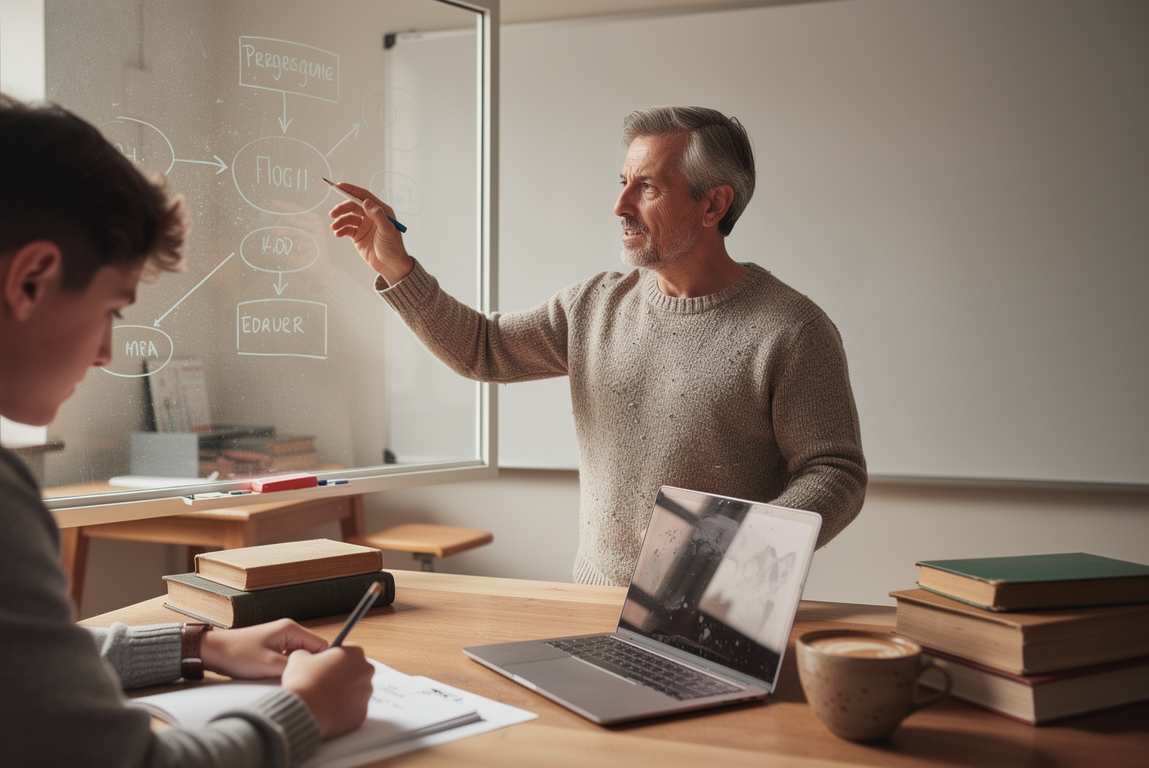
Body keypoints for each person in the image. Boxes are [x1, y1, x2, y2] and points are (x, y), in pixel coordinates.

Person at [0, 86, 373, 767]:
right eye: (113, 309)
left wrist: (196, 645)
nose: (106, 352)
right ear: (32, 279)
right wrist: (306, 712)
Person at [329, 106, 867, 587]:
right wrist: (398, 268)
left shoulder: (792, 329)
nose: (619, 205)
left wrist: (740, 549)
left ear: (713, 205)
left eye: (648, 187)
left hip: (718, 611)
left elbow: (834, 472)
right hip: (589, 599)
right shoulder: (594, 305)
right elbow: (482, 348)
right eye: (622, 182)